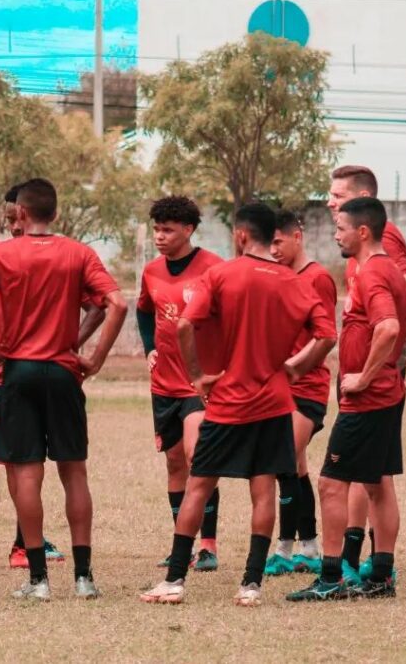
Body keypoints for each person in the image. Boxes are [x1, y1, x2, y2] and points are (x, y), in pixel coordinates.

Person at [140, 203, 336, 606]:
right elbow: (327, 335)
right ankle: (251, 585)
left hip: (227, 402)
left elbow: (183, 325)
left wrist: (198, 376)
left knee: (198, 486)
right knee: (262, 491)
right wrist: (297, 368)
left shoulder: (221, 274)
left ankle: (174, 581)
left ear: (242, 235)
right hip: (275, 404)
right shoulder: (294, 281)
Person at [0, 178, 128, 601]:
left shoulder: (1, 253)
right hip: (65, 372)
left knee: (26, 474)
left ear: (22, 214)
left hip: (20, 372)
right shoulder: (79, 253)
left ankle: (38, 581)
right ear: (56, 213)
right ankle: (84, 578)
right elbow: (116, 303)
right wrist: (92, 354)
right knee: (73, 472)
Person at [288, 197, 406, 601]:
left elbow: (391, 328)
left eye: (340, 228)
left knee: (329, 484)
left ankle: (330, 578)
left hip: (369, 400)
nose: (335, 234)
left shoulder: (374, 272)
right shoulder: (387, 269)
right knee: (378, 485)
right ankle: (381, 576)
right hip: (386, 396)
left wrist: (363, 377)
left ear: (362, 231)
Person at [326, 165, 406, 581]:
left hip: (372, 390)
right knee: (375, 479)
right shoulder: (361, 261)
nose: (331, 204)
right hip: (373, 384)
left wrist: (371, 374)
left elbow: (400, 306)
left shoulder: (380, 255)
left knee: (336, 480)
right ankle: (373, 568)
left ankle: (337, 572)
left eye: (338, 196)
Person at [136, 196, 224, 571]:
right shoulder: (152, 271)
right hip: (164, 384)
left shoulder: (214, 268)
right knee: (175, 464)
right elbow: (143, 311)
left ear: (188, 230)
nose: (160, 236)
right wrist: (149, 348)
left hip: (198, 384)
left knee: (196, 456)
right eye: (156, 229)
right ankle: (182, 545)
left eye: (168, 230)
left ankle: (207, 545)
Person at [265, 209, 338, 577]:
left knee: (280, 462)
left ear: (298, 237)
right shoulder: (278, 275)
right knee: (294, 467)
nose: (274, 249)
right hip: (278, 387)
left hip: (307, 387)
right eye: (270, 242)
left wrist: (296, 366)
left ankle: (283, 547)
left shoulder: (318, 277)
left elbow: (325, 337)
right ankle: (308, 548)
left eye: (279, 241)